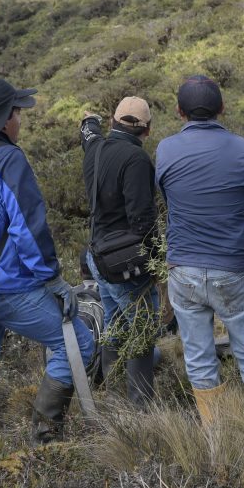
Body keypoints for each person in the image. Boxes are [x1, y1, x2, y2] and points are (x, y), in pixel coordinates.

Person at [0, 77, 93, 454]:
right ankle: (45, 445)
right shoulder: (8, 160)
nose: (19, 120)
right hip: (9, 287)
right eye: (16, 112)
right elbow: (27, 228)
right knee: (79, 343)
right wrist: (54, 280)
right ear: (1, 119)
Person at [156, 75, 244, 425]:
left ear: (179, 111)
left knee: (198, 357)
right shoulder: (239, 148)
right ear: (222, 108)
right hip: (232, 266)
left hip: (184, 268)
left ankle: (216, 435)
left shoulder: (165, 149)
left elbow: (167, 197)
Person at [79, 96, 159, 406]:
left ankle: (113, 396)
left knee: (115, 324)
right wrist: (156, 265)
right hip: (125, 263)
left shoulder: (96, 149)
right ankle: (140, 407)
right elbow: (143, 221)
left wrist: (90, 119)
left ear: (113, 122)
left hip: (98, 257)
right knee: (141, 328)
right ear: (147, 130)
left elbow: (88, 133)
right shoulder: (136, 160)